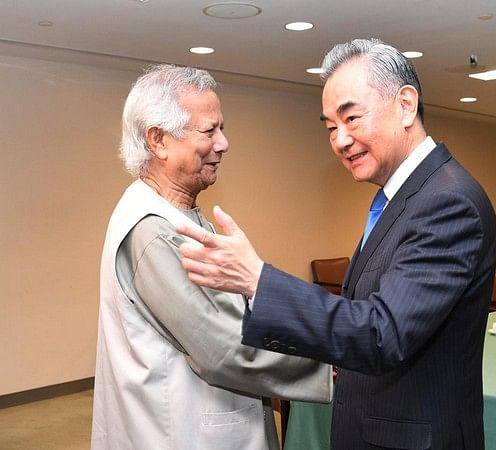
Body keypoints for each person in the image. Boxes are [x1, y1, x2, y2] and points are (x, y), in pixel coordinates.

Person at [177, 38, 496, 450]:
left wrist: (258, 280)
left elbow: (383, 333)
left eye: (352, 118)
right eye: (331, 127)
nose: (341, 140)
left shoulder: (447, 202)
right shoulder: (404, 195)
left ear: (405, 105)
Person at [92, 64, 332, 450]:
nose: (223, 143)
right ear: (159, 140)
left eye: (222, 128)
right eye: (209, 130)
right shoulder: (153, 231)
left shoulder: (179, 213)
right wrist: (329, 363)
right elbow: (223, 350)